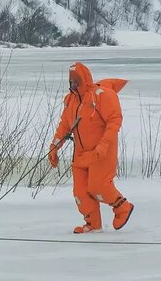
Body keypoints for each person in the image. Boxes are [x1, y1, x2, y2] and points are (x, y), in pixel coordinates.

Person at [48, 63, 134, 233]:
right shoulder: (70, 100)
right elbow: (65, 125)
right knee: (80, 192)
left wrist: (104, 145)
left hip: (101, 152)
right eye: (71, 81)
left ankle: (122, 207)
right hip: (81, 153)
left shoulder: (102, 96)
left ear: (85, 80)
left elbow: (114, 120)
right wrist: (54, 147)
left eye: (76, 81)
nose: (73, 85)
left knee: (98, 186)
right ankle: (92, 224)